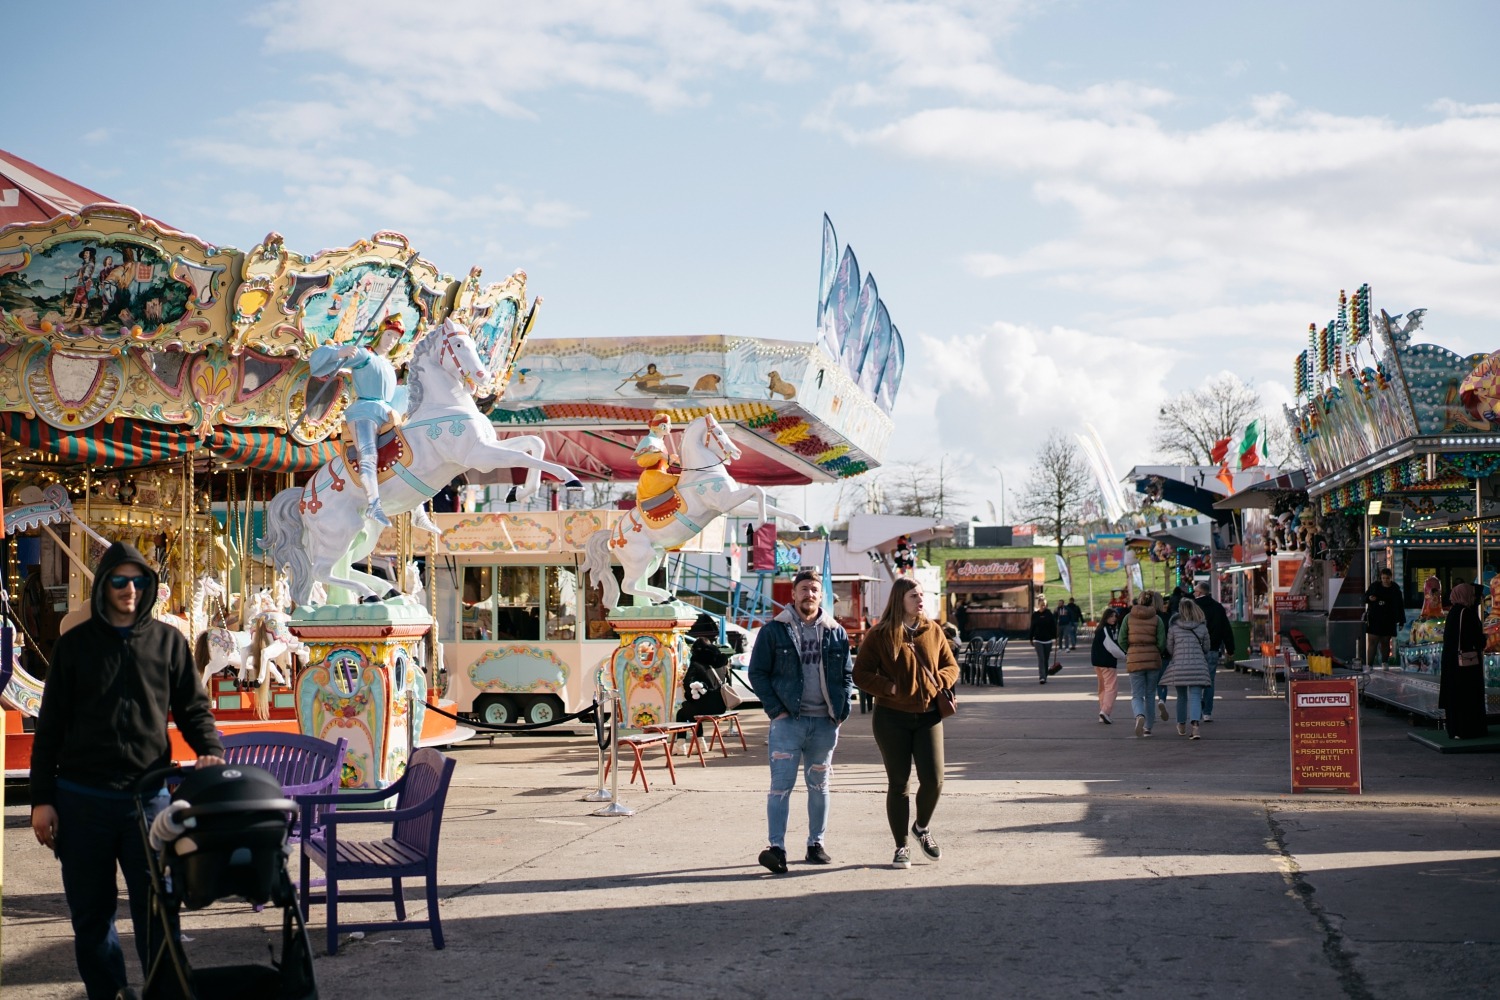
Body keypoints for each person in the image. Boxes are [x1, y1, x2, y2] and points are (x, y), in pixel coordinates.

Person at [29, 542, 225, 1000]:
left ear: (149, 586)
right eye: (119, 580)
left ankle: (164, 993)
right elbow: (50, 725)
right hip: (82, 801)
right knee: (93, 917)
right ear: (103, 586)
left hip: (148, 800)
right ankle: (109, 993)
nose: (130, 589)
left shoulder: (168, 643)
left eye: (138, 581)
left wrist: (210, 748)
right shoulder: (75, 647)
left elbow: (193, 709)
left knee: (159, 911)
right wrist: (42, 799)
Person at [747, 569, 853, 873]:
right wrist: (775, 710)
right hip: (787, 723)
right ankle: (776, 848)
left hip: (824, 723)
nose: (809, 594)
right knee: (780, 786)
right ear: (793, 595)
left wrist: (840, 710)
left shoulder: (836, 632)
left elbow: (847, 674)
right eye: (803, 589)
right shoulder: (774, 631)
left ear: (822, 596)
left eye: (814, 590)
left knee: (819, 786)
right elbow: (758, 673)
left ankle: (815, 844)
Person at [853, 577, 960, 870]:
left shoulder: (933, 630)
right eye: (914, 595)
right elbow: (860, 673)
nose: (920, 599)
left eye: (922, 595)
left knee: (934, 780)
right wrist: (887, 687)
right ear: (900, 599)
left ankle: (921, 828)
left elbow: (951, 665)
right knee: (899, 783)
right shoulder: (880, 634)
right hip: (891, 718)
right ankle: (901, 846)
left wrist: (942, 679)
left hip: (928, 716)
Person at [308, 314, 407, 527]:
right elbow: (318, 360)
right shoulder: (365, 356)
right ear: (381, 333)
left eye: (395, 338)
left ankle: (415, 508)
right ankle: (373, 505)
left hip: (386, 412)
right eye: (389, 335)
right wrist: (339, 352)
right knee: (369, 455)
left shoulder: (389, 366)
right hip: (365, 411)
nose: (391, 341)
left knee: (405, 450)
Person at [1439, 582, 1488, 740]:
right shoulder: (1467, 613)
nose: (1476, 599)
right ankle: (1469, 729)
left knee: (1454, 697)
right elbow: (1476, 640)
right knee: (1468, 697)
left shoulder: (1454, 612)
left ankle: (1456, 730)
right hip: (1467, 666)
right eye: (1474, 595)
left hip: (1451, 664)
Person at [1162, 598, 1212, 739]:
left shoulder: (1174, 627)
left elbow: (1169, 648)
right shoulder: (1202, 627)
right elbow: (1207, 648)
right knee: (1196, 696)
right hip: (1197, 666)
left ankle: (1181, 724)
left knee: (1181, 697)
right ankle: (1195, 726)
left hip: (1179, 667)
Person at [1118, 590, 1167, 737]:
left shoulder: (1128, 617)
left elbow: (1121, 639)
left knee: (1137, 695)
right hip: (1153, 660)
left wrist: (1130, 650)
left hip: (1134, 660)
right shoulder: (1157, 619)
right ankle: (1148, 728)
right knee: (1150, 694)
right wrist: (1156, 651)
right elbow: (1162, 642)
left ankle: (1139, 715)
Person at [1193, 582, 1235, 722]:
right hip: (1212, 649)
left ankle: (1196, 711)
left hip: (1195, 650)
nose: (1194, 593)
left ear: (1200, 593)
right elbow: (1226, 630)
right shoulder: (1218, 607)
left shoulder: (1193, 607)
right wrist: (1230, 649)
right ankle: (1207, 713)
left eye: (1195, 591)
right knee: (1209, 681)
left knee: (1196, 681)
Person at [677, 635, 731, 723]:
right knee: (693, 710)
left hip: (704, 708)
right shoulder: (721, 663)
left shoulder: (696, 664)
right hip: (721, 706)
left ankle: (685, 737)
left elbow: (687, 683)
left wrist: (690, 697)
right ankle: (699, 737)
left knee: (681, 713)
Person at [1364, 568, 1405, 665]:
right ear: (1380, 578)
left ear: (1390, 578)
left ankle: (1385, 662)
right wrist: (1370, 598)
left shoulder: (1395, 590)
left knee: (1385, 642)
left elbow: (1400, 605)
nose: (1385, 580)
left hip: (1389, 619)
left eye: (1387, 578)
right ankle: (1369, 664)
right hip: (1375, 618)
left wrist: (1401, 621)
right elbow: (1365, 597)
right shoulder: (1375, 587)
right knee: (1373, 642)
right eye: (1383, 578)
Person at [1091, 606, 1123, 724]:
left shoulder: (1101, 629)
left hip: (1097, 663)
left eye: (1115, 616)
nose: (1114, 619)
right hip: (1107, 663)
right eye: (1111, 616)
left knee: (1103, 688)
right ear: (1106, 617)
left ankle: (1102, 712)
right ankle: (1105, 711)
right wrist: (1125, 656)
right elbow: (1112, 647)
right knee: (1112, 688)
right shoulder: (1106, 629)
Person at [1029, 596, 1058, 684]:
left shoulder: (1049, 614)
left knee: (1046, 659)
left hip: (1048, 640)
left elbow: (1053, 626)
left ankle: (1045, 674)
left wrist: (1056, 637)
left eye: (1045, 605)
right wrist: (1030, 638)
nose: (1043, 606)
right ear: (1038, 605)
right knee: (1041, 658)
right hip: (1038, 640)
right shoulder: (1035, 615)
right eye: (1041, 605)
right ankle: (1042, 677)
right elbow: (1032, 627)